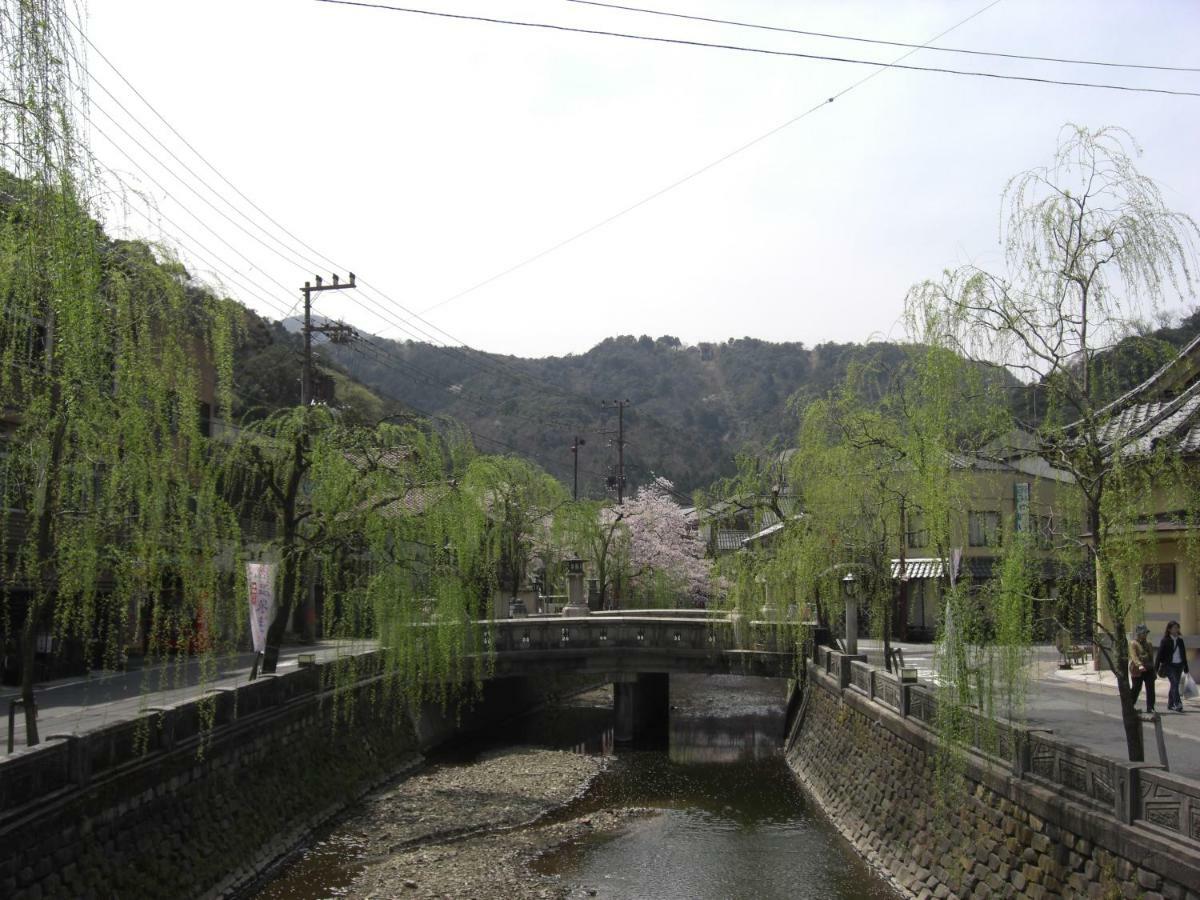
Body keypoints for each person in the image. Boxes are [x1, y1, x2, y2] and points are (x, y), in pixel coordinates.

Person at [1156, 620, 1190, 712]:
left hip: (1179, 665)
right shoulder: (1165, 641)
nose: (1176, 629)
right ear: (1169, 629)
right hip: (1169, 666)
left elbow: (1183, 654)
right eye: (1174, 627)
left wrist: (1186, 666)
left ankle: (1170, 704)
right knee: (1175, 683)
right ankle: (1178, 703)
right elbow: (1159, 655)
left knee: (1174, 685)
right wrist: (1155, 669)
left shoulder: (1180, 641)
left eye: (1177, 627)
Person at [1129, 624, 1157, 713]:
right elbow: (1134, 656)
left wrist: (1153, 669)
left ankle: (1150, 706)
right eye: (1143, 633)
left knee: (1150, 688)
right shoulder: (1133, 643)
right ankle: (1130, 705)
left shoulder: (1148, 644)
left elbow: (1151, 657)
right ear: (1138, 633)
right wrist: (1139, 665)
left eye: (1146, 633)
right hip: (1137, 670)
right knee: (1136, 688)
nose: (1145, 635)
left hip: (1148, 668)